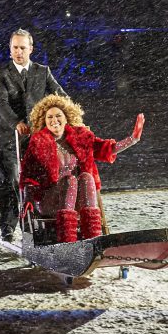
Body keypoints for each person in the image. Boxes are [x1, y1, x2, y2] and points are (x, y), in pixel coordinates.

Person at [19, 95, 145, 243]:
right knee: (70, 180)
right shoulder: (38, 142)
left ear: (66, 118)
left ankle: (93, 238)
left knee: (86, 177)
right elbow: (27, 174)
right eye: (49, 117)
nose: (54, 120)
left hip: (76, 199)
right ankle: (67, 240)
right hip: (49, 199)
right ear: (44, 121)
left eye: (58, 115)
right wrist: (28, 197)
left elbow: (107, 148)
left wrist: (133, 139)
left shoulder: (80, 137)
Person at [0, 29, 67, 241]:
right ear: (10, 50)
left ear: (31, 49)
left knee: (38, 182)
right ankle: (8, 227)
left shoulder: (42, 72)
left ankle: (36, 226)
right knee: (11, 181)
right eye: (15, 48)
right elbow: (1, 103)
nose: (18, 52)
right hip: (10, 139)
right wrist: (16, 122)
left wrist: (70, 113)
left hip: (36, 140)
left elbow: (59, 94)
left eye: (22, 48)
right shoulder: (1, 74)